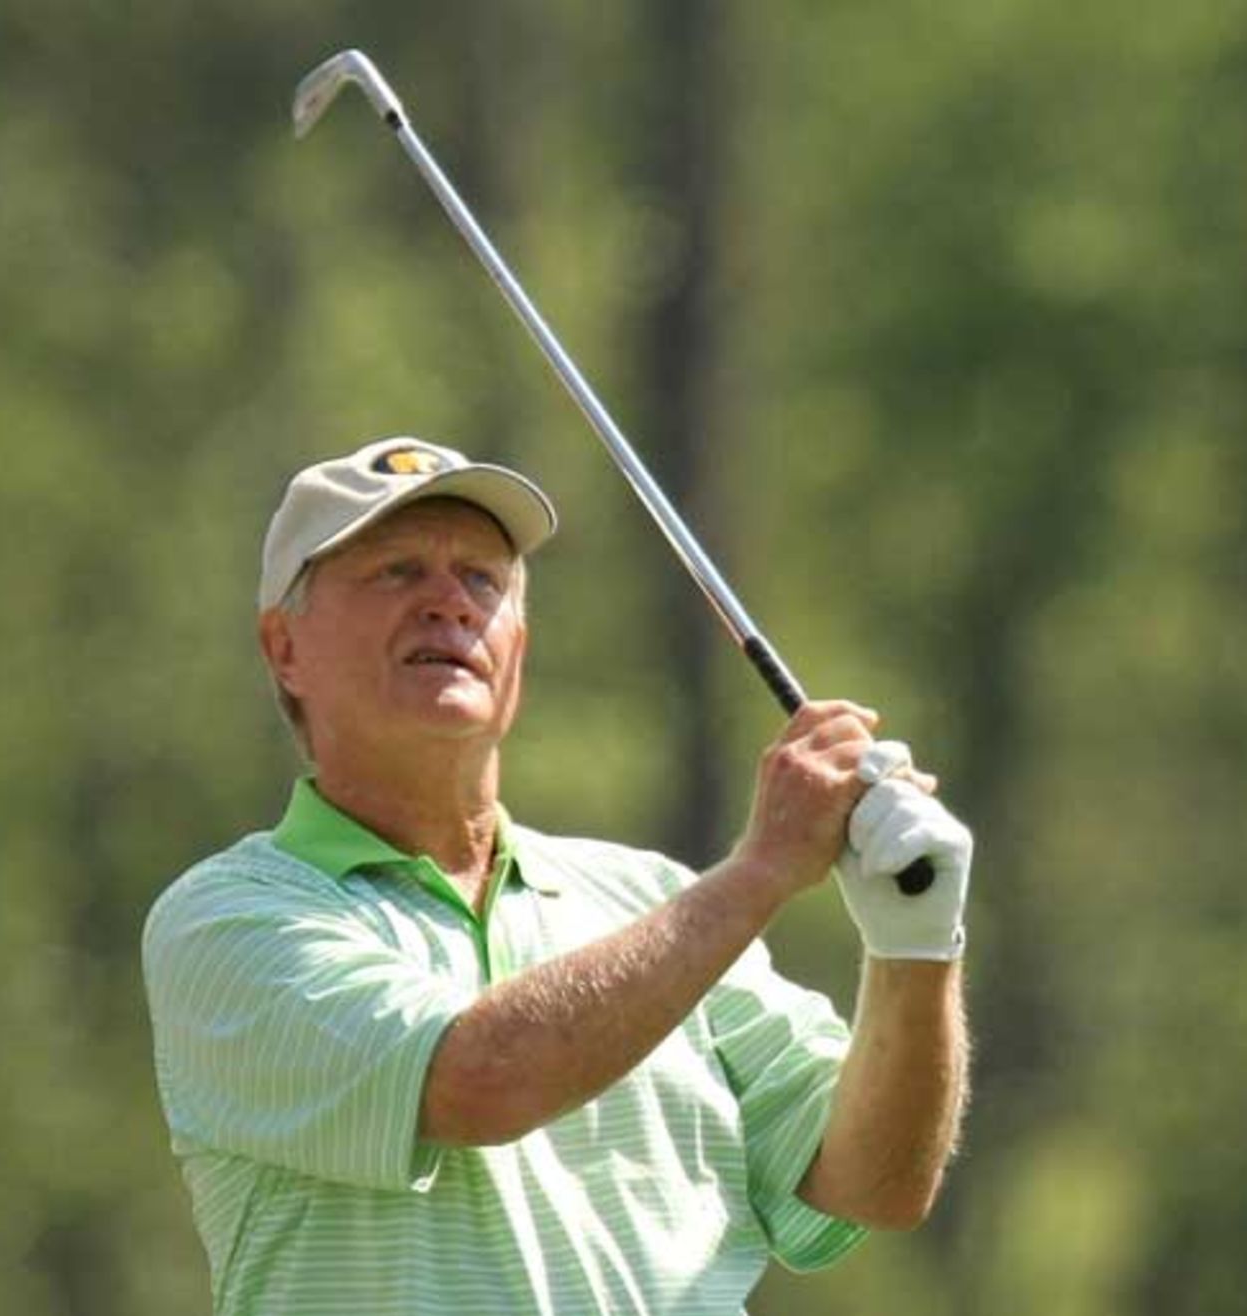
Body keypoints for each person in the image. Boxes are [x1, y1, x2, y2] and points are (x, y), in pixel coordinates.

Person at [143, 436, 973, 1316]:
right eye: (396, 571)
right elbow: (480, 1081)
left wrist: (913, 949)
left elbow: (874, 1183)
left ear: (518, 650)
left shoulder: (653, 900)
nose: (449, 604)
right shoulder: (227, 920)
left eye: (482, 580)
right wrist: (762, 870)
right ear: (285, 648)